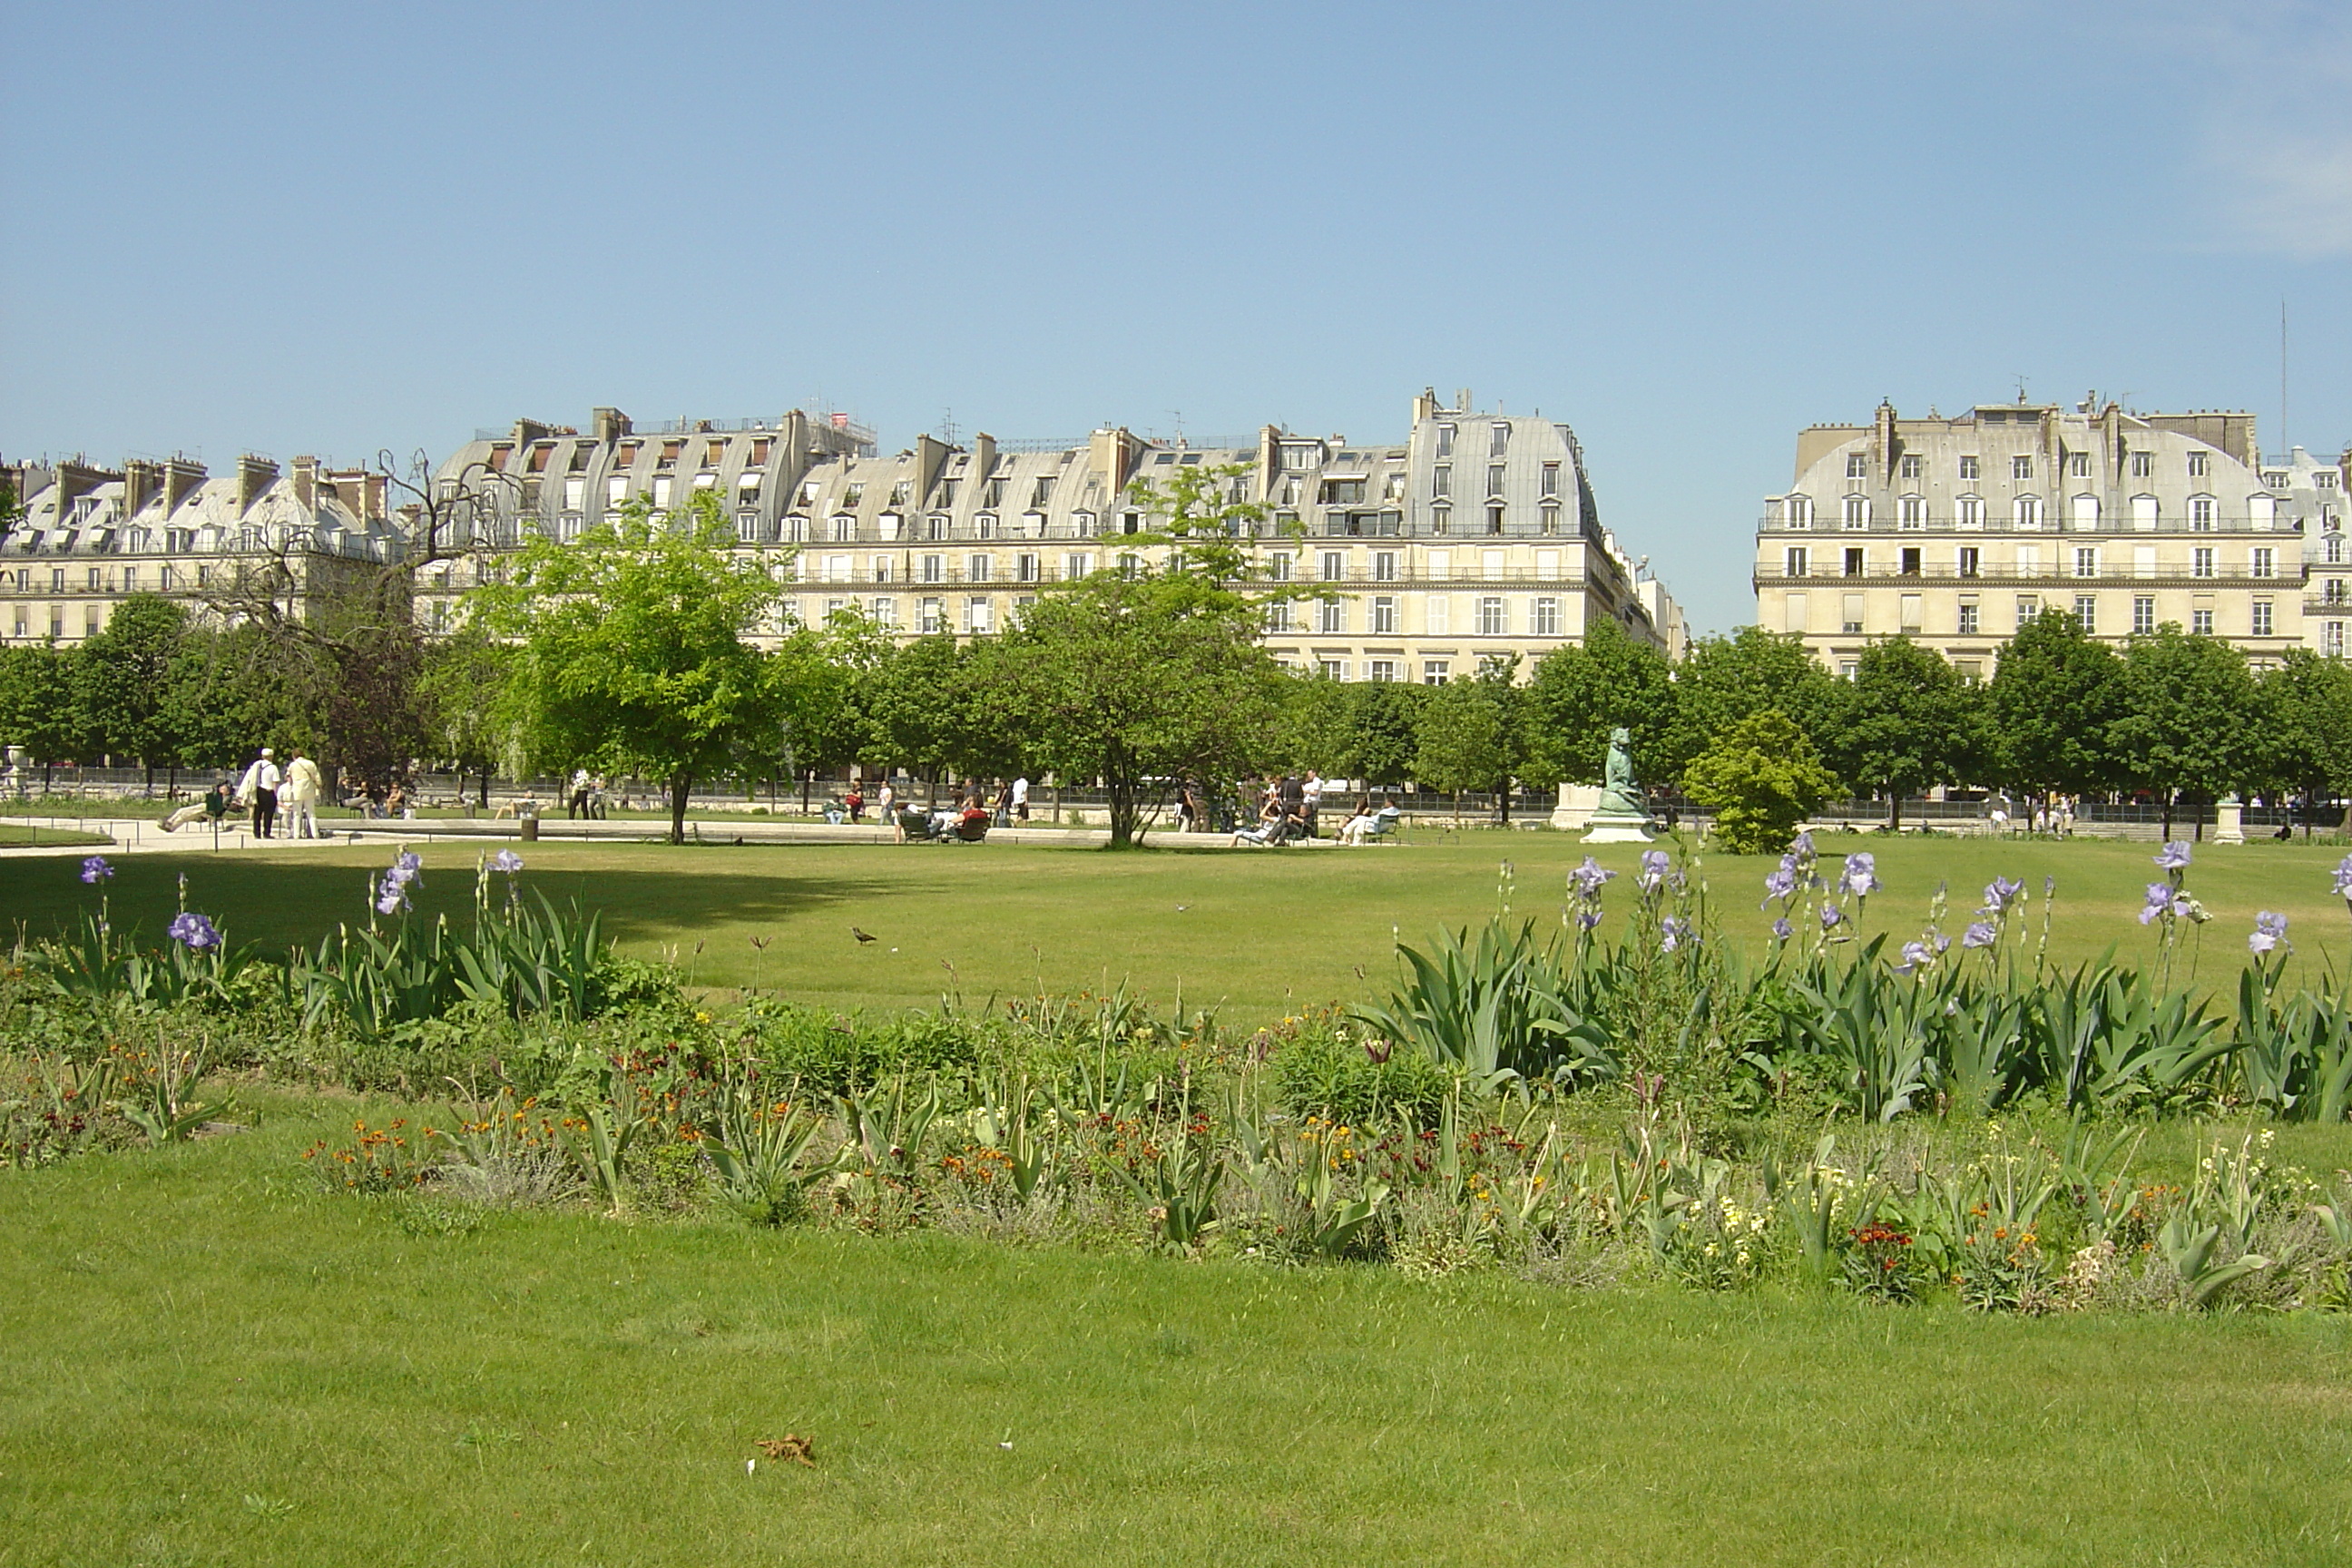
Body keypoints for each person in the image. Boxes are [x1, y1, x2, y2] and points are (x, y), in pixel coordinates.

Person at [236, 747, 281, 838]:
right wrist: (276, 795)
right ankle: (266, 832)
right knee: (268, 814)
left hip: (258, 790)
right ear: (271, 756)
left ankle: (256, 833)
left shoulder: (256, 766)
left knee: (258, 813)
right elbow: (275, 782)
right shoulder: (272, 767)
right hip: (268, 791)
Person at [281, 749, 324, 839]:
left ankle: (296, 834)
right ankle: (315, 834)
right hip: (309, 789)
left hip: (297, 790)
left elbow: (288, 777)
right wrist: (319, 786)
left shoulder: (292, 765)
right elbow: (317, 776)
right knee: (311, 813)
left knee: (297, 814)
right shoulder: (310, 763)